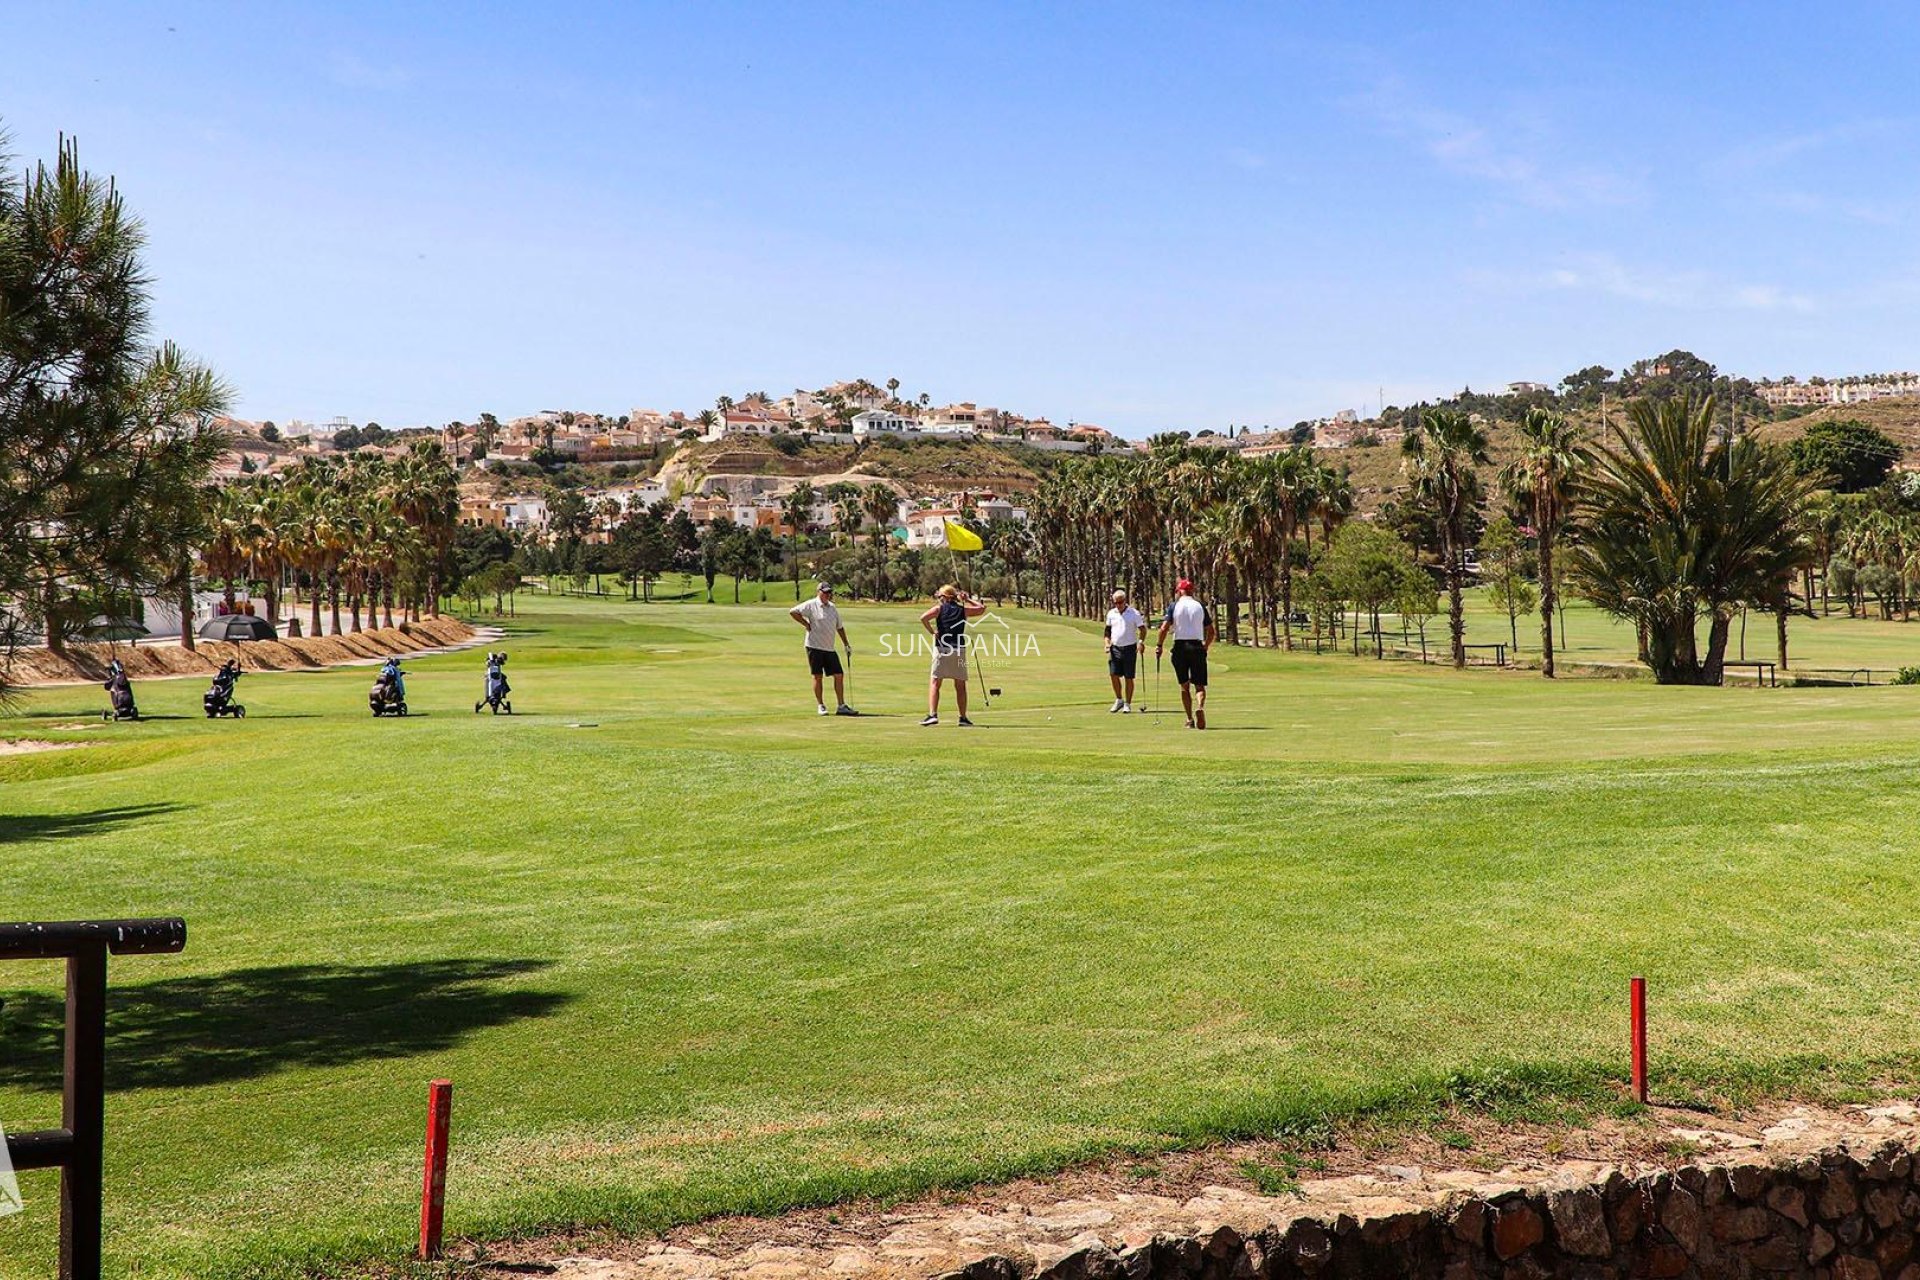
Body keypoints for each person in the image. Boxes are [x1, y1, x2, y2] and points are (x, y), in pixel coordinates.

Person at [919, 583, 987, 726]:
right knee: (960, 685)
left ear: (944, 597)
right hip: (959, 650)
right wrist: (967, 599)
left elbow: (923, 618)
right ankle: (963, 718)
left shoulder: (938, 609)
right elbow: (981, 609)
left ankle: (933, 715)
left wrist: (933, 632)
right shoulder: (962, 610)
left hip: (942, 648)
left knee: (935, 682)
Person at [1155, 577, 1216, 729]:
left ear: (1180, 591)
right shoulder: (1200, 606)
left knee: (1184, 686)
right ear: (1191, 591)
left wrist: (1159, 645)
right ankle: (1200, 707)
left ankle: (1189, 719)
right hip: (1196, 646)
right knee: (1200, 685)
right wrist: (1205, 646)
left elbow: (1164, 628)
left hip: (1180, 647)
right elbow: (1211, 631)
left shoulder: (1174, 606)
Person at [788, 581, 855, 715]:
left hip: (829, 647)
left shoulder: (832, 608)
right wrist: (805, 624)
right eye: (825, 592)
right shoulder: (811, 605)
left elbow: (839, 627)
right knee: (817, 676)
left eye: (829, 592)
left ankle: (841, 705)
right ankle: (821, 705)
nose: (827, 595)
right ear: (819, 592)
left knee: (839, 675)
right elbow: (793, 612)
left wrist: (846, 644)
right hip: (814, 646)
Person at [1103, 588, 1144, 713]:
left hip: (1130, 648)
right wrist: (1106, 643)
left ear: (1125, 601)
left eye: (1120, 602)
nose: (1118, 605)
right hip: (1115, 648)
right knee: (1113, 674)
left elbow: (1143, 629)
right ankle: (1119, 699)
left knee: (1128, 677)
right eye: (1115, 603)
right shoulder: (1111, 613)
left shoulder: (1134, 613)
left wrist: (1141, 642)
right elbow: (1107, 631)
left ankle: (1128, 703)